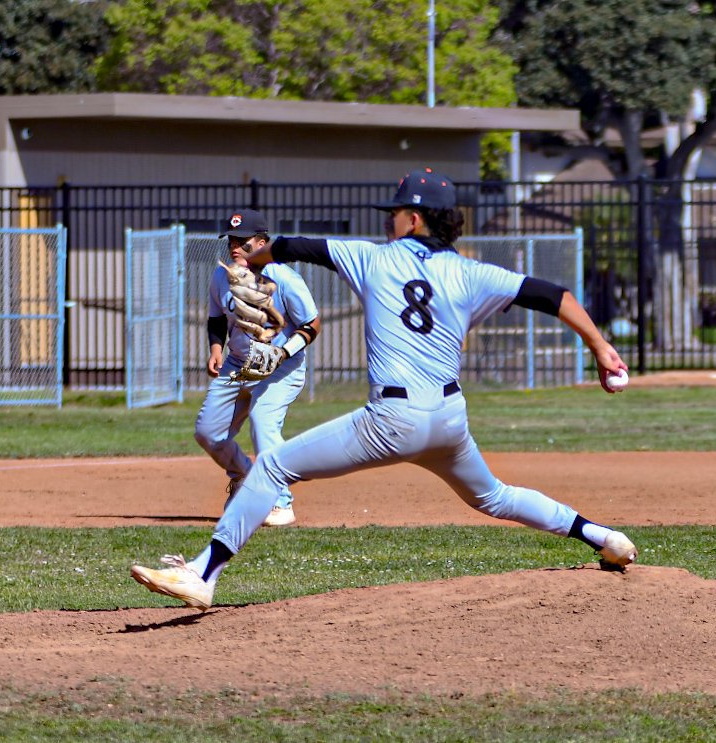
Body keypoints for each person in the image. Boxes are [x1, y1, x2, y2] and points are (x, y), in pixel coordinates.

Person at [131, 169, 637, 611]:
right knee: (495, 497)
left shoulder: (372, 258)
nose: (387, 221)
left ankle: (202, 574)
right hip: (449, 419)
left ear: (413, 220)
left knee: (272, 465)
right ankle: (602, 536)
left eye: (394, 213)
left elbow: (294, 246)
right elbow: (554, 295)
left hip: (391, 420)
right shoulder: (473, 273)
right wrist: (600, 347)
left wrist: (257, 260)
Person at [192, 208, 320, 527]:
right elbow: (216, 318)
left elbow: (312, 324)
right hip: (238, 364)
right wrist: (216, 349)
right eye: (231, 240)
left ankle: (279, 502)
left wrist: (284, 352)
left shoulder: (284, 278)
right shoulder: (223, 275)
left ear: (262, 243)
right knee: (208, 432)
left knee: (263, 422)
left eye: (242, 240)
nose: (234, 246)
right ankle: (244, 478)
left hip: (280, 368)